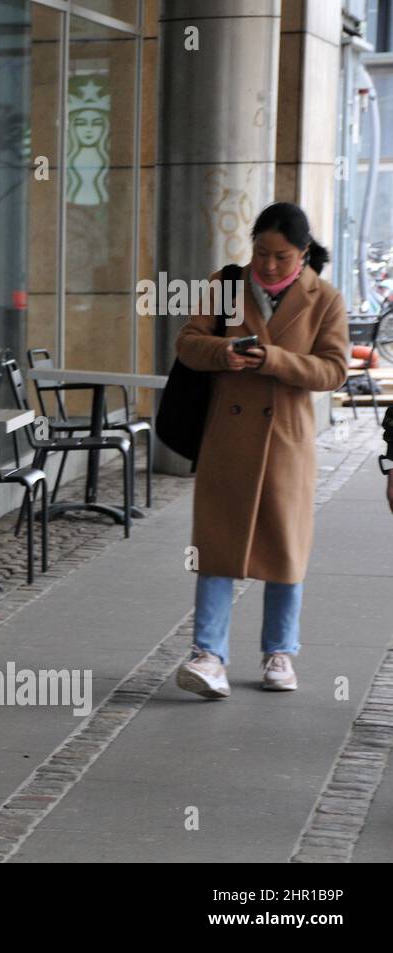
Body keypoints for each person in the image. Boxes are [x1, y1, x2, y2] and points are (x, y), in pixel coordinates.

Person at [172, 202, 349, 699]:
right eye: (261, 253)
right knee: (215, 546)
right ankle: (207, 656)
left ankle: (279, 653)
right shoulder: (226, 285)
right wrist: (221, 352)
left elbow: (334, 370)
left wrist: (274, 360)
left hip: (286, 443)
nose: (268, 265)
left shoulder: (325, 300)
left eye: (281, 255)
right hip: (227, 439)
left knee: (286, 550)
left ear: (304, 253)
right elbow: (187, 343)